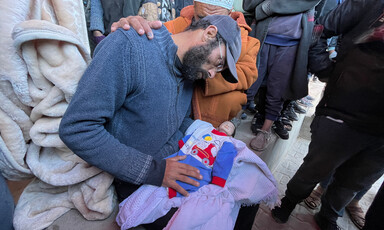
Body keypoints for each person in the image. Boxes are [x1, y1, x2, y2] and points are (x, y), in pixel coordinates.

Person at [59, 14, 241, 228]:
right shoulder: (130, 47)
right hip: (138, 174)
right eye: (218, 64)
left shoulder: (189, 71)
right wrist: (157, 171)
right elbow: (77, 129)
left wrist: (209, 136)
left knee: (243, 192)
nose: (212, 74)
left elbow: (180, 121)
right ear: (209, 33)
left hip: (176, 158)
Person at [270, 0, 384, 229]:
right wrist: (325, 69)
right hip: (343, 111)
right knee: (315, 167)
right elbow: (318, 29)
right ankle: (289, 202)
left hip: (381, 132)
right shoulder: (370, 3)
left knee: (354, 181)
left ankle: (328, 215)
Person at [111, 0, 260, 130]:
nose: (207, 27)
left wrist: (202, 71)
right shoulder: (173, 28)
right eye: (201, 18)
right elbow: (150, 43)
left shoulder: (247, 42)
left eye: (222, 65)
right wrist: (130, 30)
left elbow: (248, 73)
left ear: (230, 13)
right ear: (194, 6)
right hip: (174, 125)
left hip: (215, 125)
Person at [243, 0, 320, 151]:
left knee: (277, 90)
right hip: (262, 35)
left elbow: (303, 3)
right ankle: (232, 120)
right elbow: (249, 4)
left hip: (291, 43)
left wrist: (268, 6)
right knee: (248, 82)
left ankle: (265, 131)